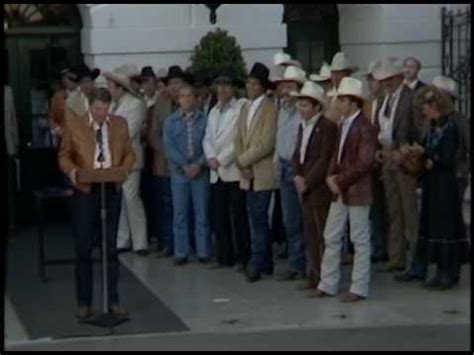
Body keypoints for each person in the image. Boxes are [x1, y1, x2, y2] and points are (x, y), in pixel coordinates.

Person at [58, 87, 135, 320]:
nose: (102, 114)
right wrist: (72, 172)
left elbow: (131, 153)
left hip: (110, 188)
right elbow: (64, 155)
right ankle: (84, 302)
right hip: (85, 190)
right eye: (98, 109)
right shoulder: (75, 124)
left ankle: (112, 300)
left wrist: (124, 169)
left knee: (110, 247)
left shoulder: (120, 124)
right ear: (90, 107)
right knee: (83, 247)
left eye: (105, 109)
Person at [310, 77, 376, 302]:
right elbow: (335, 156)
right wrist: (331, 176)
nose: (337, 102)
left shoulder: (365, 127)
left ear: (353, 102)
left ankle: (359, 287)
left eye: (341, 99)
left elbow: (365, 162)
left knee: (359, 238)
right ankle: (328, 283)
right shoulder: (344, 124)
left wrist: (339, 179)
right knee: (332, 234)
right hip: (341, 188)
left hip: (356, 190)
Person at [414, 86, 469, 289]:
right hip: (433, 183)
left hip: (445, 184)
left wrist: (430, 156)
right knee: (435, 225)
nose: (424, 110)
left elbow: (447, 157)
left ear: (435, 106)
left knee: (445, 227)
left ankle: (448, 272)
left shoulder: (450, 128)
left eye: (426, 106)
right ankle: (441, 271)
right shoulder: (433, 126)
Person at [373, 58, 420, 274]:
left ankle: (415, 261)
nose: (387, 83)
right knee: (394, 212)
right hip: (387, 156)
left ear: (399, 78)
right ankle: (397, 258)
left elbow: (420, 130)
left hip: (404, 157)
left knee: (409, 211)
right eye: (384, 80)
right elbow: (379, 128)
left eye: (390, 79)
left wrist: (408, 150)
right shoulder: (384, 98)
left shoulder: (411, 97)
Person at [234, 62, 278, 282]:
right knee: (253, 217)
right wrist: (242, 165)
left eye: (254, 84)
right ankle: (264, 261)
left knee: (260, 217)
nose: (250, 87)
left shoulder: (270, 108)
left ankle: (258, 262)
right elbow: (238, 138)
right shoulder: (244, 107)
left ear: (263, 87)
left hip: (262, 171)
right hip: (247, 172)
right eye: (248, 83)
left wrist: (244, 161)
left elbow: (266, 143)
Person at [292, 81, 338, 290]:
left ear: (317, 107)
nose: (301, 109)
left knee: (321, 234)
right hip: (305, 186)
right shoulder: (304, 126)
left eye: (305, 105)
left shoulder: (326, 127)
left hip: (318, 188)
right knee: (310, 233)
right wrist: (297, 175)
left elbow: (324, 158)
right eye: (299, 105)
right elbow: (298, 154)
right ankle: (313, 275)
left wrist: (308, 181)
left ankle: (324, 278)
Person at [202, 71, 250, 270]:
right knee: (219, 215)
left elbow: (237, 139)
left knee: (238, 214)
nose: (221, 90)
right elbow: (207, 137)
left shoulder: (240, 108)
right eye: (219, 85)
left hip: (232, 169)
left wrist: (221, 159)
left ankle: (242, 257)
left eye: (226, 86)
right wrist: (211, 157)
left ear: (233, 88)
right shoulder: (213, 110)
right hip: (216, 170)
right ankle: (224, 256)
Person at [163, 85, 211, 265]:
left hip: (200, 171)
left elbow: (210, 143)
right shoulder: (170, 121)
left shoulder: (205, 119)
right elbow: (169, 147)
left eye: (189, 96)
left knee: (202, 213)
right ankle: (181, 252)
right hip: (179, 173)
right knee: (180, 213)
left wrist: (199, 164)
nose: (186, 99)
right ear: (178, 100)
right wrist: (184, 165)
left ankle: (203, 252)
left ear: (196, 98)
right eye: (182, 96)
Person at [103, 65, 149, 256]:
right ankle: (123, 240)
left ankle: (140, 242)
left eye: (111, 86)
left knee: (131, 198)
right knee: (120, 200)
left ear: (120, 88)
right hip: (115, 160)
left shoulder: (135, 104)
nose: (109, 90)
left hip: (130, 159)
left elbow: (129, 132)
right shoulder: (113, 105)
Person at [148, 65, 191, 256]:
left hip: (188, 164)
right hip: (165, 163)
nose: (175, 86)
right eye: (172, 83)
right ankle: (168, 243)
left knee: (186, 206)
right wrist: (169, 153)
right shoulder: (161, 103)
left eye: (178, 82)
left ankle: (188, 244)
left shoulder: (189, 102)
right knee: (167, 205)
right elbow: (153, 135)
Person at [272, 65, 307, 281]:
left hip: (299, 167)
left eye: (290, 86)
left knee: (304, 217)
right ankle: (295, 263)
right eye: (284, 85)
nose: (286, 90)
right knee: (290, 219)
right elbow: (279, 138)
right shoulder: (283, 110)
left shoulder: (304, 111)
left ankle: (307, 264)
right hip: (284, 165)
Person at [363, 59, 389, 263]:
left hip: (383, 157)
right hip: (370, 161)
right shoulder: (368, 104)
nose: (371, 83)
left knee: (384, 206)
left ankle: (384, 246)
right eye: (370, 79)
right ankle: (378, 245)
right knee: (375, 206)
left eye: (373, 80)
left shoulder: (386, 101)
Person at [325, 52, 359, 124]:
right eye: (333, 73)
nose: (336, 77)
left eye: (339, 73)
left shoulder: (354, 96)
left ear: (347, 75)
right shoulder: (327, 96)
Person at [4, 84, 20, 232]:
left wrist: (15, 144)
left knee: (9, 190)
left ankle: (11, 225)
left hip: (7, 147)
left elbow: (12, 119)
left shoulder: (8, 91)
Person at [49, 67, 79, 138]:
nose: (69, 81)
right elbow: (51, 118)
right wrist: (58, 130)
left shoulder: (85, 95)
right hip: (64, 139)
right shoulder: (58, 97)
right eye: (66, 78)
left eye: (72, 78)